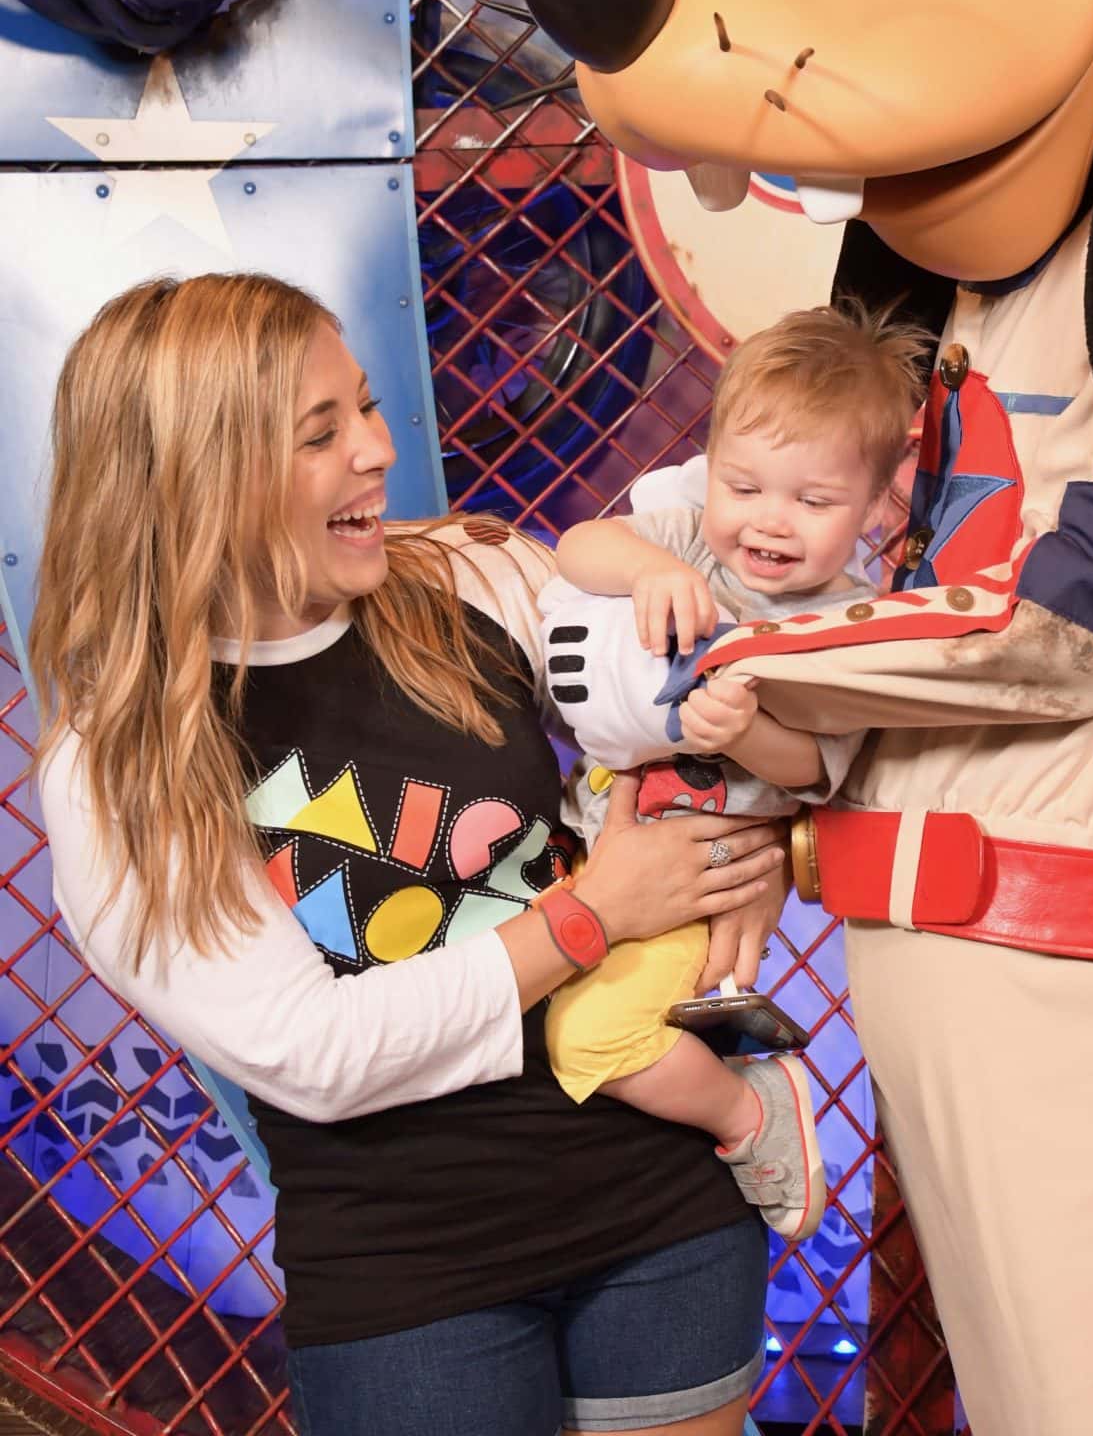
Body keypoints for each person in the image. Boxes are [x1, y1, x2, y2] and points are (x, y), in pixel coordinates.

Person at [30, 272, 792, 1436]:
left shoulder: (471, 576)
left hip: (665, 1217)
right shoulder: (119, 763)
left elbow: (694, 705)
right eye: (321, 434)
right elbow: (314, 1053)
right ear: (202, 474)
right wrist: (587, 920)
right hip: (411, 1277)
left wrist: (759, 827)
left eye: (369, 410)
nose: (379, 454)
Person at [540, 304, 929, 1243]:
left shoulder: (848, 627)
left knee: (587, 1038)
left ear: (877, 505)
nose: (769, 522)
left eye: (813, 501)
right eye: (744, 486)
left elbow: (817, 772)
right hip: (592, 844)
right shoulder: (693, 542)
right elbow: (577, 545)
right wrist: (644, 570)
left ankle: (751, 1114)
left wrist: (749, 732)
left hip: (698, 882)